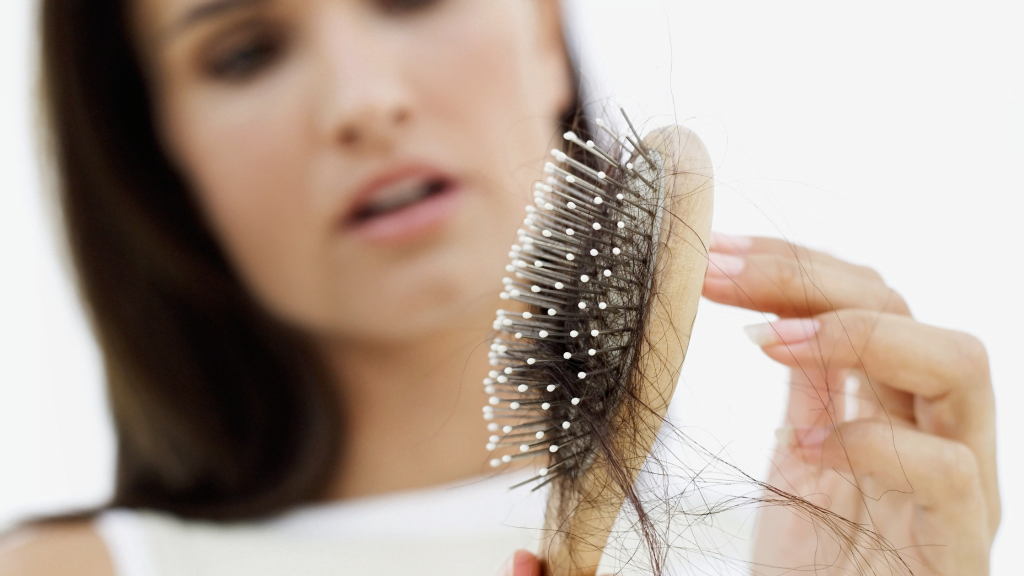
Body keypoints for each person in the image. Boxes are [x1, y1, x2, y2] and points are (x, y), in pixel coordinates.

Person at [0, 0, 999, 574]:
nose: (365, 101)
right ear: (159, 152)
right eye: (246, 52)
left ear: (542, 24)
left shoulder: (808, 553)